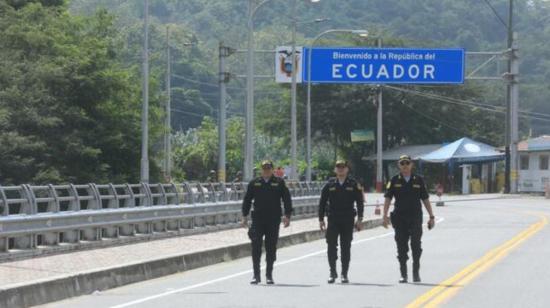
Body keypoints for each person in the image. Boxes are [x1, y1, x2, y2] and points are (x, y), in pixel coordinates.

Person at [383, 155, 435, 283]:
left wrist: (431, 216)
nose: (405, 165)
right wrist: (384, 215)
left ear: (412, 165)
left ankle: (415, 272)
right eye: (402, 163)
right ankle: (403, 274)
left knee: (416, 245)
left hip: (415, 217)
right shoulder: (394, 180)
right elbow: (388, 198)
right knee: (401, 246)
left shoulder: (419, 180)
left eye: (407, 163)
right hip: (399, 218)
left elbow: (425, 199)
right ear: (399, 165)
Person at [242, 160, 292, 285]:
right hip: (258, 219)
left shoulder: (279, 183)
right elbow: (247, 199)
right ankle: (256, 275)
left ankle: (269, 274)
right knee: (256, 246)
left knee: (271, 247)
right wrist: (244, 216)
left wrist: (287, 215)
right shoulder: (255, 183)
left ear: (272, 169)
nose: (266, 170)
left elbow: (287, 199)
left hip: (273, 219)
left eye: (268, 168)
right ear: (261, 169)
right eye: (264, 168)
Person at [318, 160, 365, 284]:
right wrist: (321, 219)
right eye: (338, 167)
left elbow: (360, 202)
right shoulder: (330, 184)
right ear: (335, 170)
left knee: (346, 247)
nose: (340, 169)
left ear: (347, 169)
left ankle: (344, 274)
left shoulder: (353, 184)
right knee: (331, 246)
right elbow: (322, 202)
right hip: (333, 219)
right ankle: (332, 272)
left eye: (343, 167)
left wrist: (360, 219)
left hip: (348, 219)